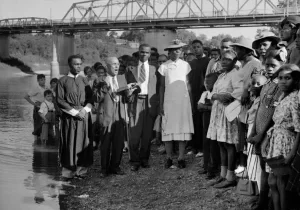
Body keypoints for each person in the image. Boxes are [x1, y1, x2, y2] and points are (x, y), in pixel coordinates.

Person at [247, 49, 286, 210]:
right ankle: (263, 200)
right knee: (263, 167)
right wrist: (254, 131)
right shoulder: (266, 84)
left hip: (270, 134)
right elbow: (260, 110)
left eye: (273, 65)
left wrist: (261, 133)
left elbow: (273, 114)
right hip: (259, 133)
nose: (269, 68)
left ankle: (270, 202)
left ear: (282, 65)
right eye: (267, 65)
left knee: (272, 171)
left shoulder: (280, 85)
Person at [262, 64, 300, 210]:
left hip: (286, 143)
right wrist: (267, 140)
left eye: (287, 78)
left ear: (295, 80)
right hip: (275, 142)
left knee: (281, 183)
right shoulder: (283, 96)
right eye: (281, 78)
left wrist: (291, 154)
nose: (283, 81)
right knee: (272, 182)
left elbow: (298, 129)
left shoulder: (295, 99)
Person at [206, 50, 244, 188]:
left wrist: (219, 96)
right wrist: (216, 96)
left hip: (228, 112)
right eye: (222, 59)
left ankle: (230, 176)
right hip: (218, 112)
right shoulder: (222, 75)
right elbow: (213, 93)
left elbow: (235, 94)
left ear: (234, 61)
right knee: (221, 143)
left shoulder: (236, 74)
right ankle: (222, 175)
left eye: (227, 59)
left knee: (229, 144)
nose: (223, 61)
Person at [93, 57, 133, 177]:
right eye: (113, 64)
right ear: (107, 67)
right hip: (106, 114)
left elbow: (126, 100)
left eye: (118, 64)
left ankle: (115, 166)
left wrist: (129, 93)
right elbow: (96, 98)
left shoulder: (122, 78)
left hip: (119, 114)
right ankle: (104, 169)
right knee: (105, 143)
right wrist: (104, 88)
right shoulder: (99, 80)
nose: (116, 66)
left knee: (119, 143)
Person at [56, 54, 94, 180]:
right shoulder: (62, 81)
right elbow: (60, 100)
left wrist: (85, 110)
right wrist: (74, 112)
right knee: (70, 142)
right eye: (75, 64)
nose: (78, 66)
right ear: (69, 65)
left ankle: (81, 171)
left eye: (79, 64)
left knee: (84, 142)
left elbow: (91, 98)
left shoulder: (84, 80)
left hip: (84, 116)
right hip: (70, 117)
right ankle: (68, 172)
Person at [158, 39, 194, 169]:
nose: (176, 52)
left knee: (182, 130)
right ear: (169, 52)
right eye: (173, 50)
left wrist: (191, 101)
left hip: (183, 101)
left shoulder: (186, 65)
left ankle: (181, 157)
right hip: (169, 101)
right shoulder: (163, 66)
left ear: (181, 51)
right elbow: (161, 86)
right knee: (168, 130)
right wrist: (161, 104)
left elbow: (188, 84)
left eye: (178, 49)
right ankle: (168, 158)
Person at [230, 37, 262, 176]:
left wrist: (245, 92)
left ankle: (250, 170)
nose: (235, 51)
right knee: (241, 138)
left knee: (248, 137)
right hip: (243, 107)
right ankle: (244, 167)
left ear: (246, 50)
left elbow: (256, 83)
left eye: (237, 49)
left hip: (251, 105)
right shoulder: (244, 64)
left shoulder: (255, 64)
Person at [126, 44, 159, 171]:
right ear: (138, 53)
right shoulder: (131, 69)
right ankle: (134, 160)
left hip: (149, 102)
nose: (144, 54)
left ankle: (144, 159)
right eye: (141, 52)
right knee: (134, 133)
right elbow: (126, 87)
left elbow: (159, 87)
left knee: (147, 135)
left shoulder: (154, 68)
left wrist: (157, 105)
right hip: (136, 101)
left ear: (150, 54)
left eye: (146, 52)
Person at [188, 39, 210, 157]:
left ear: (202, 47)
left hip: (204, 95)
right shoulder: (192, 63)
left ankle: (202, 148)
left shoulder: (209, 61)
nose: (196, 49)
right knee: (195, 121)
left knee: (203, 123)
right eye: (194, 47)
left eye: (198, 47)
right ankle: (194, 147)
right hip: (194, 94)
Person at [24, 74, 48, 141]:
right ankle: (36, 141)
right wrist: (34, 104)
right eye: (41, 80)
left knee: (44, 125)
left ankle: (42, 141)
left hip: (45, 109)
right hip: (38, 108)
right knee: (38, 125)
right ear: (38, 81)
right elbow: (26, 96)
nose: (43, 81)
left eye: (44, 79)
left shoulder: (46, 87)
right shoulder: (36, 88)